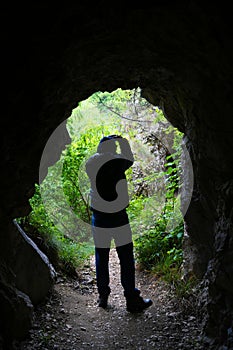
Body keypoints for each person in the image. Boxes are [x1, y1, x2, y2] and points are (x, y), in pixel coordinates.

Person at [85, 134, 152, 313]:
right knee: (126, 257)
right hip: (118, 217)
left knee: (101, 256)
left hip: (98, 217)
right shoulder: (117, 162)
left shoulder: (91, 163)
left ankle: (103, 296)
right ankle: (131, 298)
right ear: (113, 149)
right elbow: (129, 158)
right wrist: (122, 141)